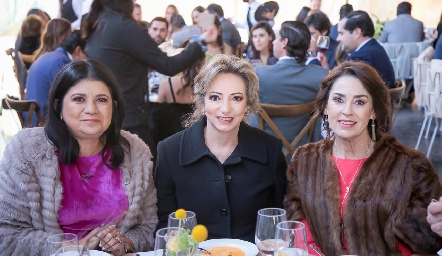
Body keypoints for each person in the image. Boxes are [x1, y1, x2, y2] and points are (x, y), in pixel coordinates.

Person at [0, 60, 158, 255]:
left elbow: (148, 226)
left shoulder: (136, 152)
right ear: (58, 106)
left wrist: (124, 242)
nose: (91, 109)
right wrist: (74, 247)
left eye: (101, 100)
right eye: (79, 99)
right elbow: (6, 233)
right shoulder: (26, 151)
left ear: (113, 107)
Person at [284, 61, 442, 255]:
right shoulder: (305, 161)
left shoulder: (411, 167)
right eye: (338, 100)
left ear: (373, 111)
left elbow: (429, 241)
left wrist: (433, 225)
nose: (347, 111)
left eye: (359, 102)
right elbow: (297, 224)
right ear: (325, 107)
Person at [155, 54, 287, 243]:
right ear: (202, 102)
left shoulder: (271, 150)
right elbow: (164, 223)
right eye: (215, 97)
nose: (225, 109)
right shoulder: (169, 151)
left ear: (248, 104)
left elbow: (280, 221)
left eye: (236, 98)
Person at [83, 0, 215, 156]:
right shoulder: (126, 27)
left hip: (104, 114)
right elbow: (168, 65)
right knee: (151, 170)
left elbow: (118, 63)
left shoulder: (97, 24)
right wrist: (199, 43)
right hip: (128, 118)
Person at [253, 21, 328, 162]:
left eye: (276, 38)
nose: (273, 42)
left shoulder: (259, 75)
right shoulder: (321, 77)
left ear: (284, 43)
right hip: (304, 157)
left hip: (265, 157)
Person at [25, 30, 87, 125]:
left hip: (32, 117)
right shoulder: (61, 61)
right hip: (41, 122)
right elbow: (68, 95)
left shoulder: (51, 56)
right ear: (78, 50)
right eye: (87, 55)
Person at [149, 40, 203, 147]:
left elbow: (157, 119)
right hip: (198, 144)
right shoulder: (208, 87)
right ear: (203, 61)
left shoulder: (166, 84)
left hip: (171, 143)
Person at [337, 10, 395, 88]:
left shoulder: (361, 57)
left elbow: (340, 86)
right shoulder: (374, 48)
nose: (338, 39)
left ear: (357, 32)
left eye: (341, 33)